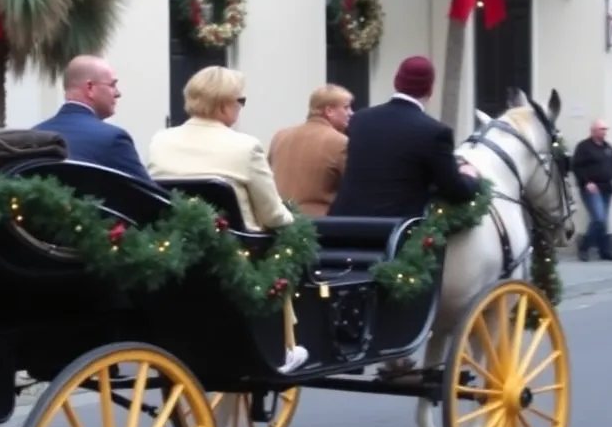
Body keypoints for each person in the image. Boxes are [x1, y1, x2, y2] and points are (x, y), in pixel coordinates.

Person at [148, 66, 306, 373]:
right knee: (288, 242)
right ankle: (285, 345)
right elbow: (273, 215)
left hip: (180, 250)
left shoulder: (161, 141)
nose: (241, 107)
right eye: (240, 100)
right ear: (224, 105)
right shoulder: (245, 147)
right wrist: (293, 220)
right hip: (241, 256)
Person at [331, 56, 480, 220]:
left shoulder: (359, 120)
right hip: (396, 232)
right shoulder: (435, 132)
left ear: (396, 82)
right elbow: (455, 191)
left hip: (345, 226)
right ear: (430, 89)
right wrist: (469, 175)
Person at [33, 55, 153, 185]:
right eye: (112, 85)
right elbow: (152, 197)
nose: (118, 93)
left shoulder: (34, 136)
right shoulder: (113, 139)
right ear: (90, 88)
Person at [269, 84, 352, 216]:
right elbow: (351, 187)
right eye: (346, 107)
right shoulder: (340, 142)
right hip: (317, 224)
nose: (350, 113)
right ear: (329, 111)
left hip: (279, 219)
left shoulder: (280, 136)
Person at [571, 118, 612, 261]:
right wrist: (586, 182)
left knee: (603, 220)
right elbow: (576, 166)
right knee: (599, 218)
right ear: (593, 131)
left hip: (606, 187)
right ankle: (584, 247)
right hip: (592, 187)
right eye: (602, 129)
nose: (605, 132)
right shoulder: (584, 147)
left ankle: (605, 251)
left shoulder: (608, 147)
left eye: (606, 129)